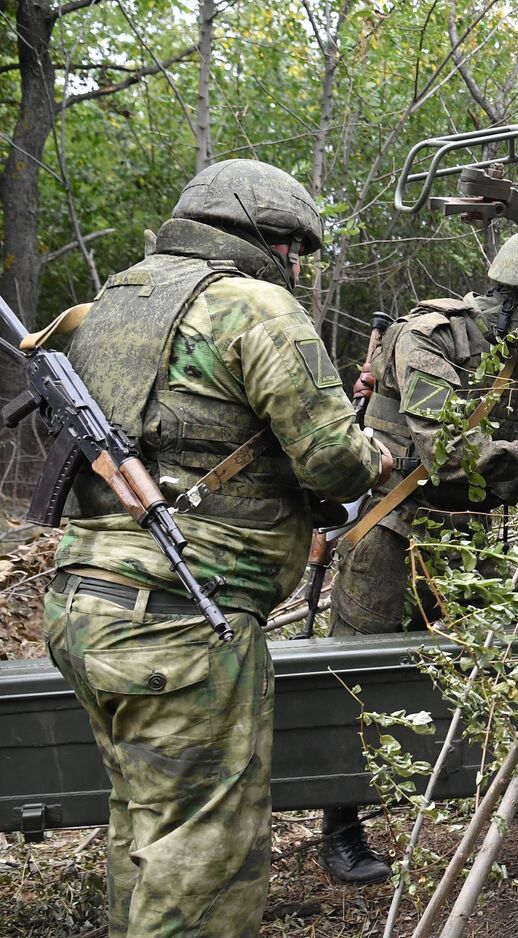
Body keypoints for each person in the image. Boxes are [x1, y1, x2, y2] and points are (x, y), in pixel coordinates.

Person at [42, 159, 394, 937]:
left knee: (145, 832)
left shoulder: (118, 299)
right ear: (264, 239)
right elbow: (334, 462)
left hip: (85, 603)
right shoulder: (253, 305)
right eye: (293, 249)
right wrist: (377, 456)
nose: (296, 266)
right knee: (203, 859)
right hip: (180, 620)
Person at [319, 231, 518, 885]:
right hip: (395, 531)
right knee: (358, 679)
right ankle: (340, 830)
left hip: (476, 534)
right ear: (516, 300)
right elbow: (447, 449)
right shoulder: (431, 336)